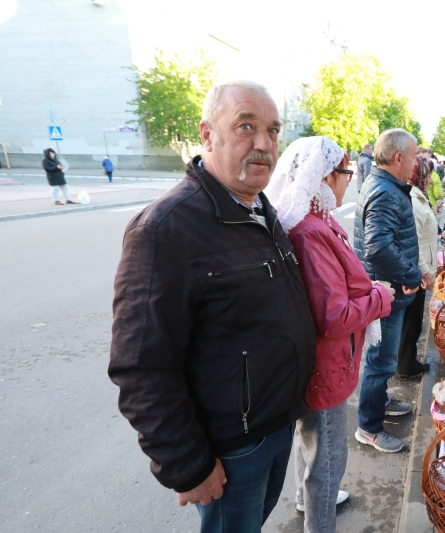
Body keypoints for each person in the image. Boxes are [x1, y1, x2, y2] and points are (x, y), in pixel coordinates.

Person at [109, 80, 317, 533]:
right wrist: (188, 466)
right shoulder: (165, 229)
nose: (263, 144)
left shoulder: (261, 210)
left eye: (272, 130)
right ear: (207, 135)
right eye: (246, 126)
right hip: (231, 451)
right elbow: (141, 367)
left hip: (275, 427)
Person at [266, 136, 394, 533]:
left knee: (312, 445)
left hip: (321, 362)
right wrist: (380, 296)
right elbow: (334, 316)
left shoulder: (313, 220)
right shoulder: (309, 231)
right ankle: (319, 520)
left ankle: (308, 501)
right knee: (329, 459)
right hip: (327, 365)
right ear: (323, 177)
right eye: (346, 173)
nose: (349, 181)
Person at [354, 128, 422, 453]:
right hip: (385, 292)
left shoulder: (384, 184)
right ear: (398, 158)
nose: (416, 162)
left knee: (382, 358)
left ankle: (379, 402)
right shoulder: (385, 191)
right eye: (414, 155)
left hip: (387, 289)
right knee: (380, 361)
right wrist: (411, 273)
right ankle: (368, 427)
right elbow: (377, 247)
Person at [396, 155, 437, 378]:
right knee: (410, 322)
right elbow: (415, 241)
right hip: (416, 270)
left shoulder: (419, 197)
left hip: (417, 269)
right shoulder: (413, 199)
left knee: (412, 321)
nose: (431, 180)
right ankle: (405, 365)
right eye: (428, 174)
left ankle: (406, 361)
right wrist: (425, 272)